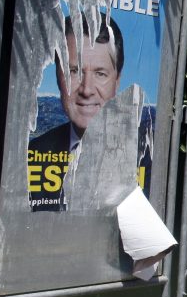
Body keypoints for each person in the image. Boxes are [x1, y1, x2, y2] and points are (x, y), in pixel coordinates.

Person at [27, 12, 124, 211]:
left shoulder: (145, 159)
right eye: (74, 71)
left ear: (117, 82)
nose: (87, 89)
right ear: (58, 77)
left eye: (100, 73)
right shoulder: (30, 155)